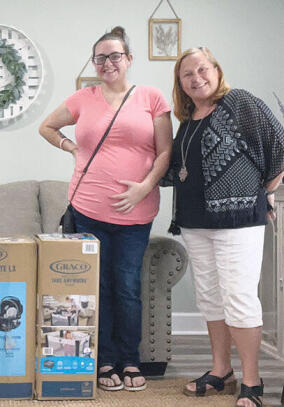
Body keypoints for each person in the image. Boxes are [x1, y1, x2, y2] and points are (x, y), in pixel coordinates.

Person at [39, 26, 172, 392]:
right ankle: (105, 359)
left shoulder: (151, 97)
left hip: (136, 212)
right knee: (96, 287)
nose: (108, 62)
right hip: (87, 209)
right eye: (100, 57)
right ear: (94, 63)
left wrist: (144, 187)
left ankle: (130, 359)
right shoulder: (84, 97)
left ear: (128, 59)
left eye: (115, 55)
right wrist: (70, 147)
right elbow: (46, 127)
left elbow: (165, 152)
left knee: (127, 285)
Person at [162, 47, 284, 407]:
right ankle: (221, 370)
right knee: (211, 298)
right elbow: (176, 169)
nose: (196, 77)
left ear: (216, 70)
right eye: (188, 74)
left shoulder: (239, 102)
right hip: (195, 221)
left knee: (239, 298)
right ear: (181, 84)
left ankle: (252, 380)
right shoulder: (188, 119)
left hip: (237, 220)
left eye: (202, 69)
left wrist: (268, 192)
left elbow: (279, 146)